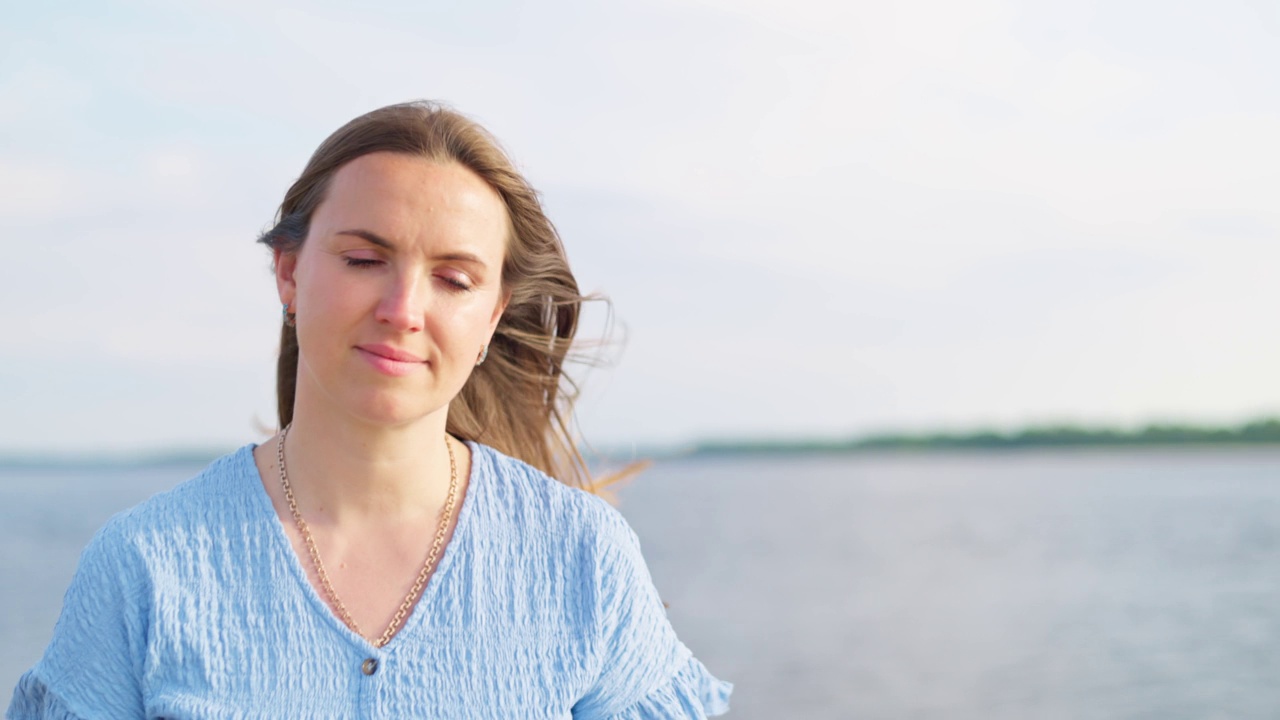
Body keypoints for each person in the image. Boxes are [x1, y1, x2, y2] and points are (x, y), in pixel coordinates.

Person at [7, 101, 732, 718]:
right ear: (289, 272)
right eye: (363, 260)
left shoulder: (585, 560)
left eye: (453, 279)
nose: (402, 310)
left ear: (492, 316)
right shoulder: (144, 567)